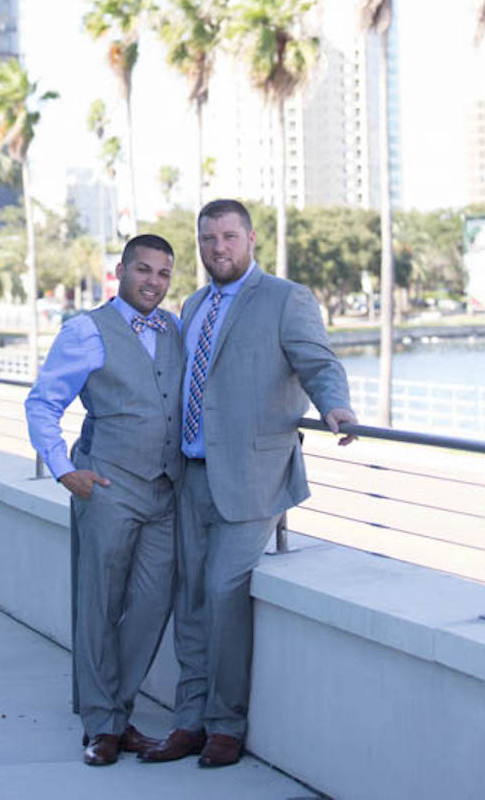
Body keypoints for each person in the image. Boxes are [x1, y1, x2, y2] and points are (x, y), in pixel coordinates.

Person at [139, 199, 357, 769]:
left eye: (230, 237)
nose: (219, 249)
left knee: (221, 593)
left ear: (252, 238)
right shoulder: (191, 303)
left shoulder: (287, 299)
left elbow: (319, 363)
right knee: (187, 600)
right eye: (208, 239)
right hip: (190, 476)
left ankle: (225, 727)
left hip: (253, 477)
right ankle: (188, 722)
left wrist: (337, 408)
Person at [25, 234, 184, 767]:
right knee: (99, 606)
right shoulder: (86, 331)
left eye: (163, 274)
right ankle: (102, 725)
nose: (153, 282)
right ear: (121, 271)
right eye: (144, 270)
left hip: (164, 491)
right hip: (109, 487)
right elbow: (43, 403)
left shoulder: (174, 330)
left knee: (151, 605)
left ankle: (119, 710)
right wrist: (65, 470)